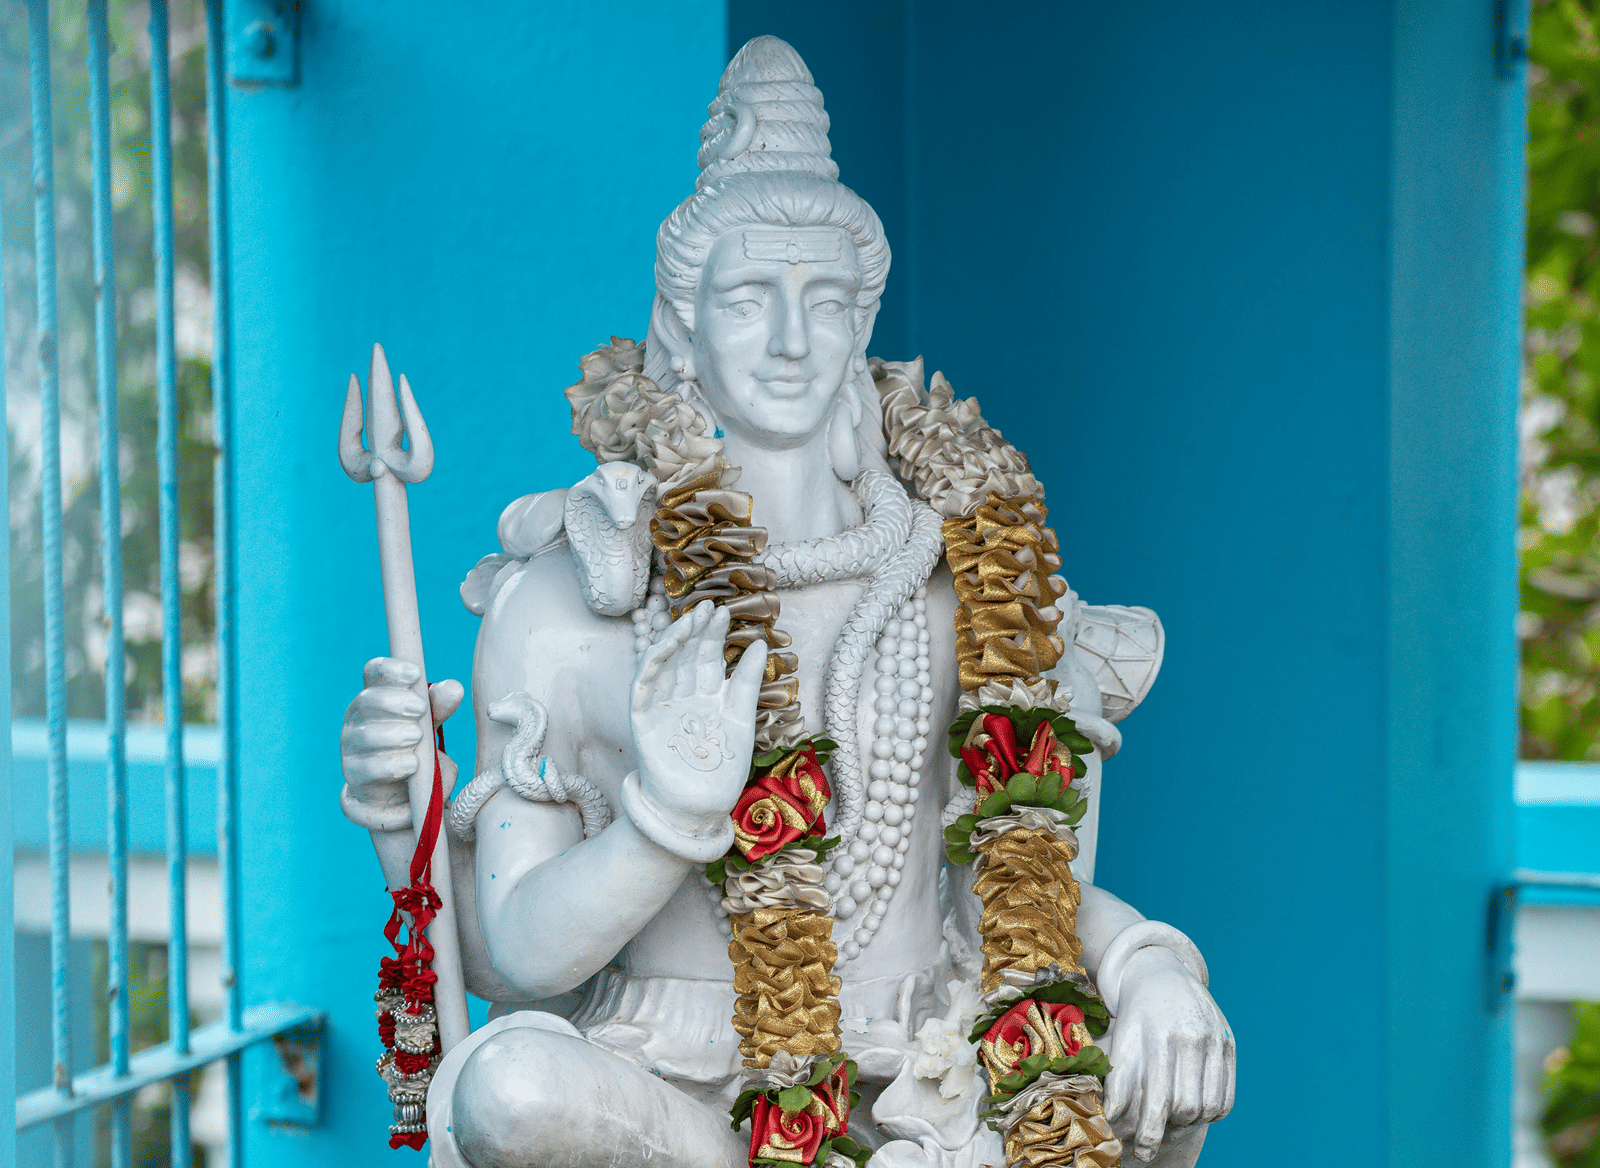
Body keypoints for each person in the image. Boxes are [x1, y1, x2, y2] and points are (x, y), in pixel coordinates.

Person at [339, 36, 1232, 1168]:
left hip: (932, 1077)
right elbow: (517, 955)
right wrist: (668, 814)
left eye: (825, 299)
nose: (794, 339)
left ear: (863, 322)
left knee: (1166, 1079)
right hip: (668, 1093)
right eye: (752, 296)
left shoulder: (964, 574)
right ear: (683, 327)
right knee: (509, 1087)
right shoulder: (574, 598)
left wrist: (1152, 963)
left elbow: (1017, 914)